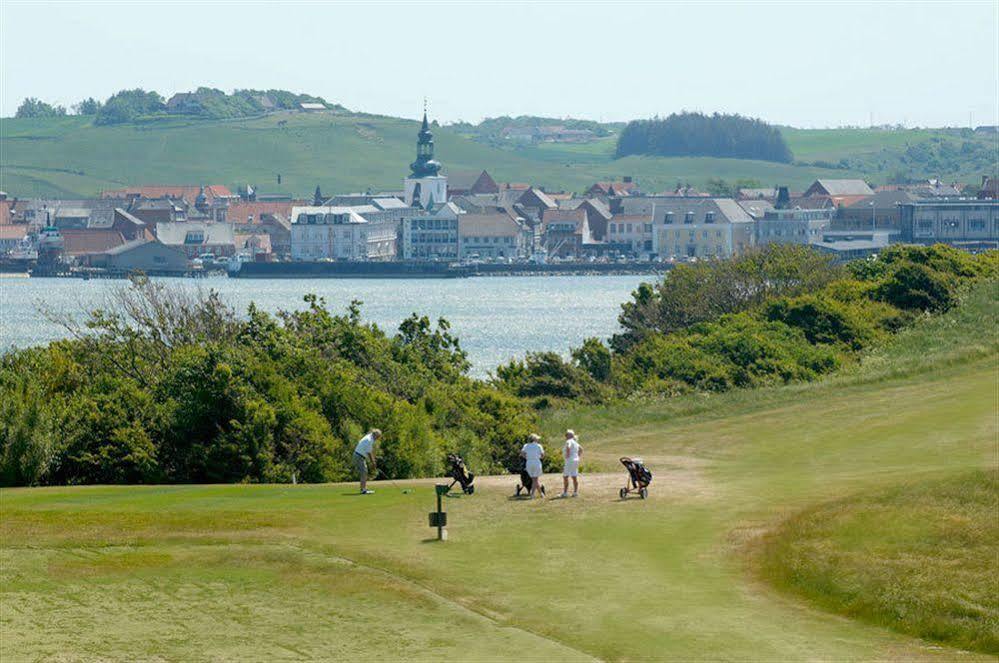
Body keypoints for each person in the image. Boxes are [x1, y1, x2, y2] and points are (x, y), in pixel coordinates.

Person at [354, 429, 381, 494]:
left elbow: (370, 451)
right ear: (375, 435)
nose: (377, 439)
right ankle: (363, 490)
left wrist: (373, 460)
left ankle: (364, 488)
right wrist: (373, 462)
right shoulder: (369, 440)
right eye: (377, 437)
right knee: (364, 471)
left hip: (359, 455)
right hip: (359, 456)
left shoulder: (369, 436)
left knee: (364, 471)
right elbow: (369, 453)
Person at [520, 434, 545, 499]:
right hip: (536, 462)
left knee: (534, 479)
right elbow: (542, 455)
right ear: (534, 439)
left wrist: (527, 457)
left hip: (529, 462)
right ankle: (532, 494)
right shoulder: (539, 446)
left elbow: (522, 453)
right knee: (535, 479)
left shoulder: (526, 445)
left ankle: (541, 494)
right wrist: (538, 457)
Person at [561, 429, 582, 498]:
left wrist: (567, 454)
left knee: (565, 476)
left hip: (569, 460)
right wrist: (578, 456)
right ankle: (575, 492)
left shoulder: (569, 441)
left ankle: (565, 492)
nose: (565, 436)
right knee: (574, 476)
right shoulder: (575, 442)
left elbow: (568, 447)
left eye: (566, 434)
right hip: (575, 460)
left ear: (569, 435)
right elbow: (581, 449)